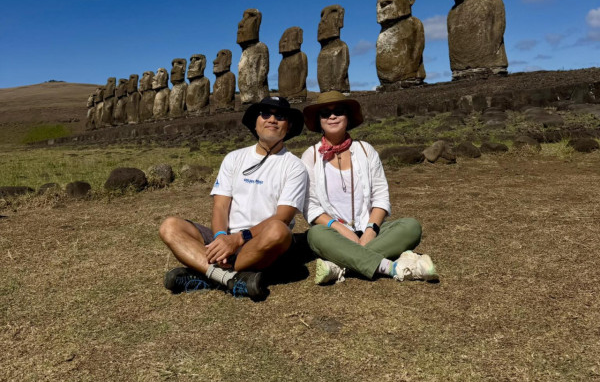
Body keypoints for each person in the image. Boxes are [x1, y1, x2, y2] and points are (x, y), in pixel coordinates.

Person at [159, 95, 308, 300]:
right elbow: (220, 206)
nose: (272, 119)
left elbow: (283, 216)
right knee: (170, 226)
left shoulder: (294, 166)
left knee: (279, 231)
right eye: (265, 114)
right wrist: (221, 237)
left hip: (259, 243)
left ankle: (206, 274)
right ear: (255, 123)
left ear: (288, 127)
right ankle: (228, 278)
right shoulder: (234, 158)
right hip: (226, 237)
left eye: (280, 116)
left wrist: (238, 239)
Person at [301, 91, 438, 285]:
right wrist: (341, 229)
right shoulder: (310, 156)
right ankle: (392, 267)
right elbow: (310, 205)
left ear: (347, 117)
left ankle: (341, 265)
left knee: (411, 227)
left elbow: (381, 196)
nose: (332, 116)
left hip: (370, 231)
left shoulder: (365, 150)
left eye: (338, 111)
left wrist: (370, 230)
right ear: (319, 120)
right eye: (325, 113)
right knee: (315, 235)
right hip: (334, 233)